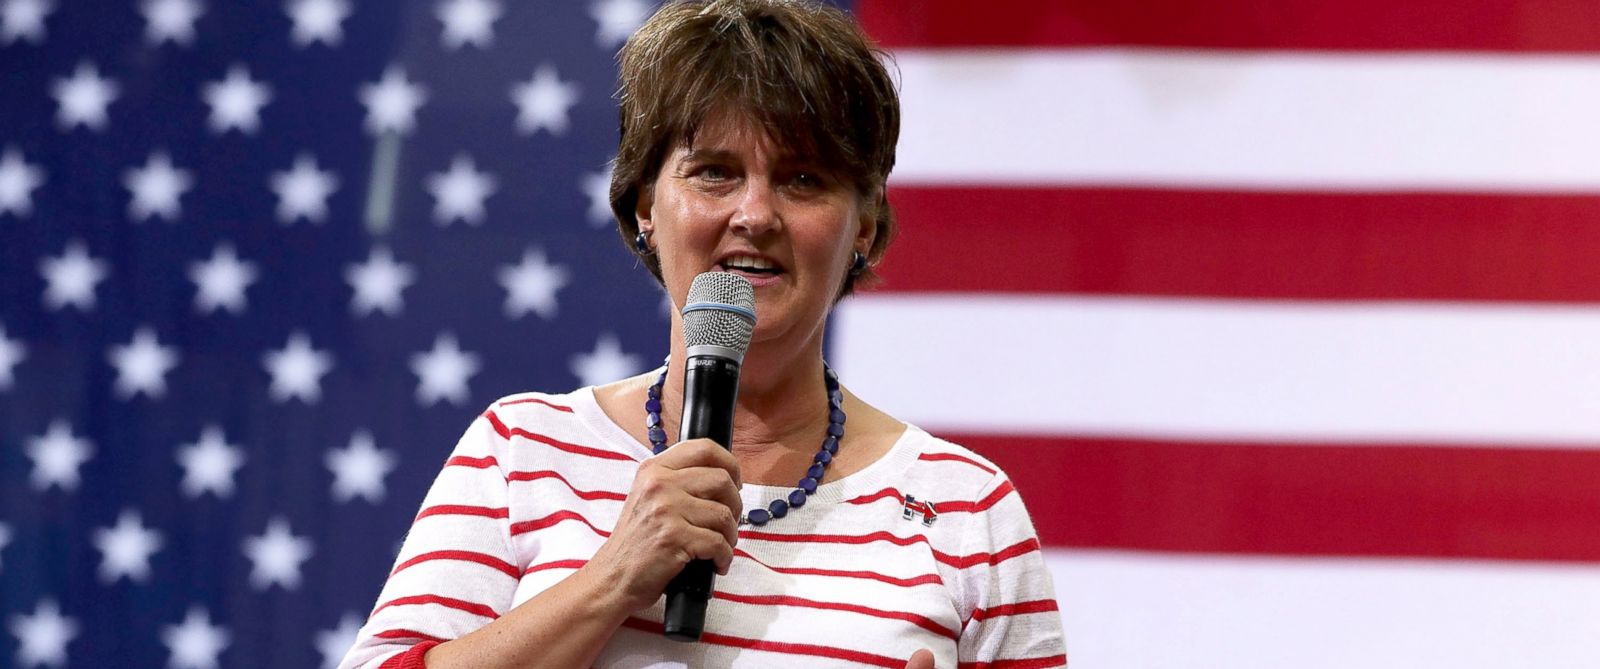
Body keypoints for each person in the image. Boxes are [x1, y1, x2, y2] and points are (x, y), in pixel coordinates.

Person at [339, 1, 1067, 667]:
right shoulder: (521, 451)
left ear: (865, 230)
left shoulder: (967, 510)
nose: (755, 213)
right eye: (714, 172)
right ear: (644, 206)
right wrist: (613, 578)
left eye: (804, 178)